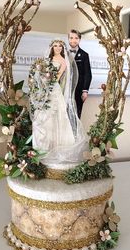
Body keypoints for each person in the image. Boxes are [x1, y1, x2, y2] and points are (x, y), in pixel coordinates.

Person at [28, 39, 88, 168]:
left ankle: (58, 146)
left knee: (56, 115)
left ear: (62, 48)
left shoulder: (64, 61)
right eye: (55, 46)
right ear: (51, 47)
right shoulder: (45, 60)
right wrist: (40, 79)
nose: (57, 48)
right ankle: (44, 148)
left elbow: (57, 77)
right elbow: (39, 72)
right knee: (44, 117)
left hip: (53, 88)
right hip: (45, 88)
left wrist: (47, 81)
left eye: (60, 46)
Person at [68, 29, 92, 118]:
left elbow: (88, 74)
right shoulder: (64, 54)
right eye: (71, 38)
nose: (73, 40)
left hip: (78, 90)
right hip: (66, 89)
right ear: (68, 39)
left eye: (76, 38)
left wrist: (85, 91)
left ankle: (75, 132)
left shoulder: (84, 55)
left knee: (77, 114)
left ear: (79, 39)